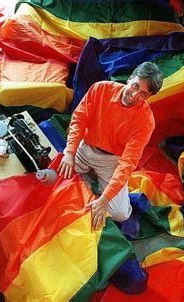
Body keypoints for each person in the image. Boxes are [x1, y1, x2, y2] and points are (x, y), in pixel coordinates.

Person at [57, 62, 163, 230]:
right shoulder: (100, 88)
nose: (135, 94)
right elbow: (78, 120)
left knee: (120, 214)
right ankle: (87, 177)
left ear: (148, 97)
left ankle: (93, 182)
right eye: (135, 86)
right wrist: (70, 152)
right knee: (55, 177)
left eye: (143, 93)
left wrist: (104, 199)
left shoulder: (146, 122)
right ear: (129, 79)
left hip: (112, 161)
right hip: (85, 149)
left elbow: (127, 163)